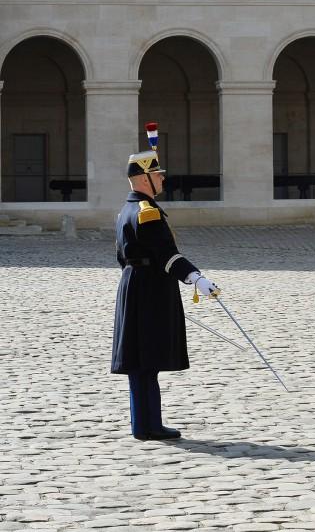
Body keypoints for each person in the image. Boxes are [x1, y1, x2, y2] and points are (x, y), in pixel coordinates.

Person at [111, 122, 220, 441]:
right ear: (144, 178)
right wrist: (197, 278)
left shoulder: (126, 210)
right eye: (158, 175)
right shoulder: (147, 213)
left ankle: (142, 424)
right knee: (148, 361)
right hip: (151, 290)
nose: (162, 179)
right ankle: (150, 426)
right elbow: (167, 256)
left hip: (134, 286)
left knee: (140, 363)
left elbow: (122, 256)